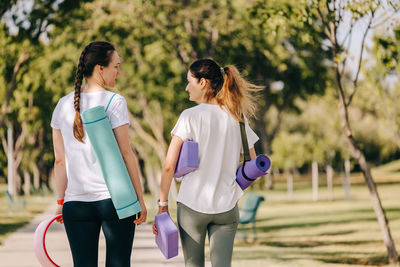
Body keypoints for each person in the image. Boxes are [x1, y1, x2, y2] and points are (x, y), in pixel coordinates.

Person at [153, 58, 261, 267]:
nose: (186, 88)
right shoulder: (237, 117)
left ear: (202, 82)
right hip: (226, 206)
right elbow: (253, 163)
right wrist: (225, 166)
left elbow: (168, 166)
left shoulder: (190, 117)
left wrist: (162, 205)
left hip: (192, 205)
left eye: (189, 82)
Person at [51, 41, 147, 267]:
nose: (119, 72)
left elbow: (60, 160)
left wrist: (61, 200)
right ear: (99, 68)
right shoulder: (114, 101)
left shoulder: (63, 105)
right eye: (115, 66)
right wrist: (140, 199)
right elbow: (126, 153)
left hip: (76, 204)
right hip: (116, 201)